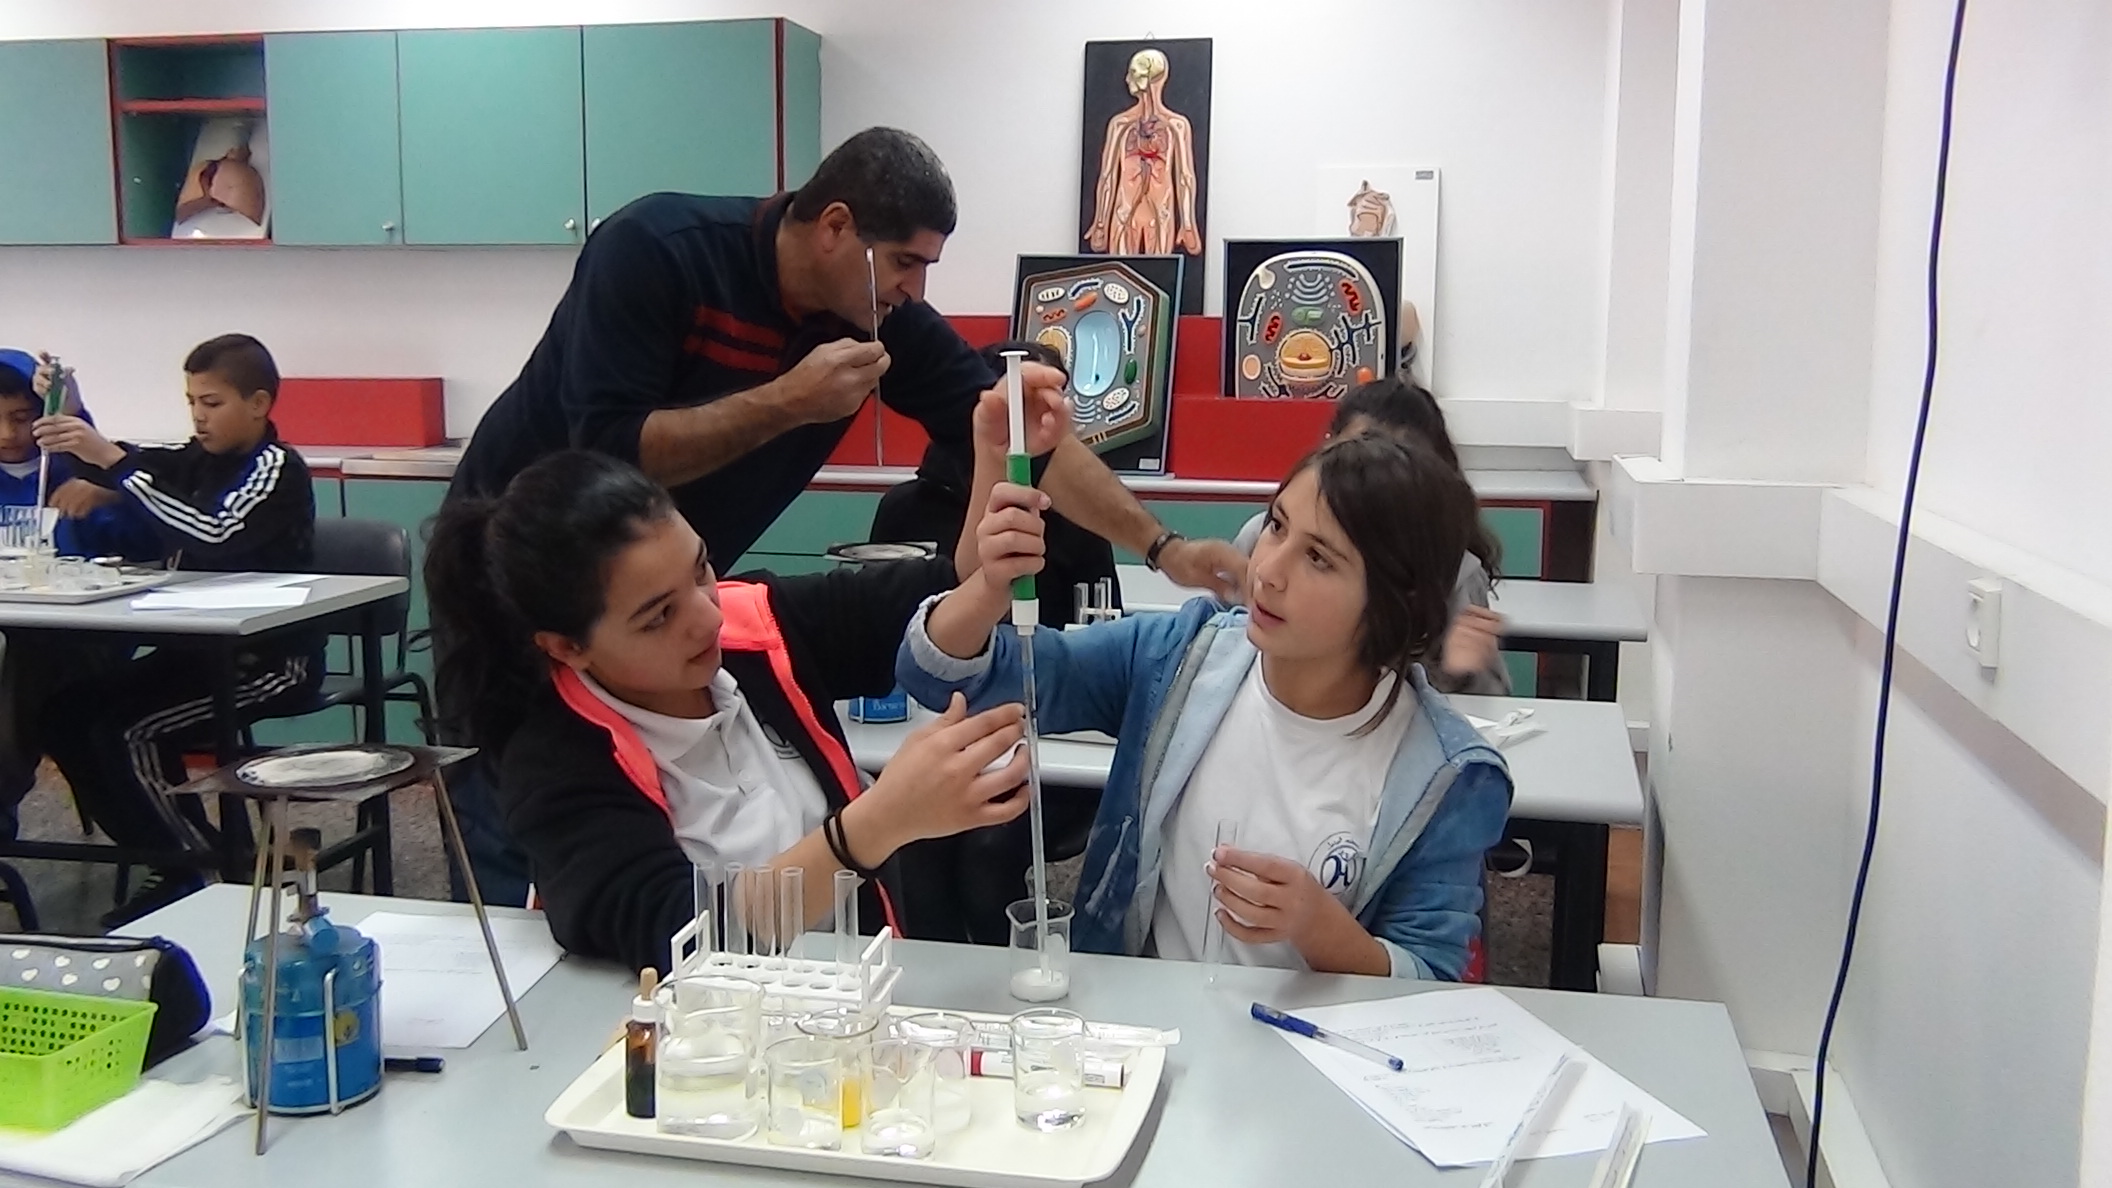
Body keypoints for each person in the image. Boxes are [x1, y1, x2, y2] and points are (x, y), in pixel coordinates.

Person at [442, 126, 1242, 904]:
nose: (914, 290)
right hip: (528, 584)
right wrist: (787, 402)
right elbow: (609, 443)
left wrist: (1162, 546)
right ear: (834, 227)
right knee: (550, 853)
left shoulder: (876, 321)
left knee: (729, 812)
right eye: (904, 262)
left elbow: (1023, 436)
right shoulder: (659, 250)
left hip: (667, 602)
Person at [898, 433, 1514, 979]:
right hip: (1142, 1035)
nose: (1269, 571)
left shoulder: (1443, 774)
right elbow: (946, 675)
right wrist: (987, 588)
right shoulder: (1181, 657)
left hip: (1305, 1053)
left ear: (1395, 600)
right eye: (1276, 526)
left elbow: (1429, 979)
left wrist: (1321, 929)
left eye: (1319, 558)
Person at [426, 452, 1039, 973]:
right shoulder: (554, 757)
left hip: (853, 999)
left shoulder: (754, 626)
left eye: (701, 569)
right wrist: (876, 824)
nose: (708, 616)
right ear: (567, 647)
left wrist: (990, 558)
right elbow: (682, 935)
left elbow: (924, 602)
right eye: (659, 616)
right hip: (700, 1041)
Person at [32, 333, 320, 926]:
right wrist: (73, 413)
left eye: (212, 403)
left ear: (259, 404)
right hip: (194, 656)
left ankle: (196, 874)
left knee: (129, 731)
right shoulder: (193, 458)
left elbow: (212, 534)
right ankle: (173, 854)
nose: (198, 415)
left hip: (267, 661)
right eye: (191, 401)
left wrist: (117, 471)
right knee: (63, 714)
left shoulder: (276, 467)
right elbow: (131, 463)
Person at [1231, 377, 1510, 696]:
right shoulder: (1262, 537)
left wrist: (1457, 675)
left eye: (1318, 557)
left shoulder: (1454, 570)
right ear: (1329, 447)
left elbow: (1487, 704)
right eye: (1355, 456)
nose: (1269, 572)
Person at [870, 340, 1119, 629]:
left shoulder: (1077, 519)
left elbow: (1105, 626)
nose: (1043, 430)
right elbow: (878, 619)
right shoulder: (906, 509)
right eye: (1026, 410)